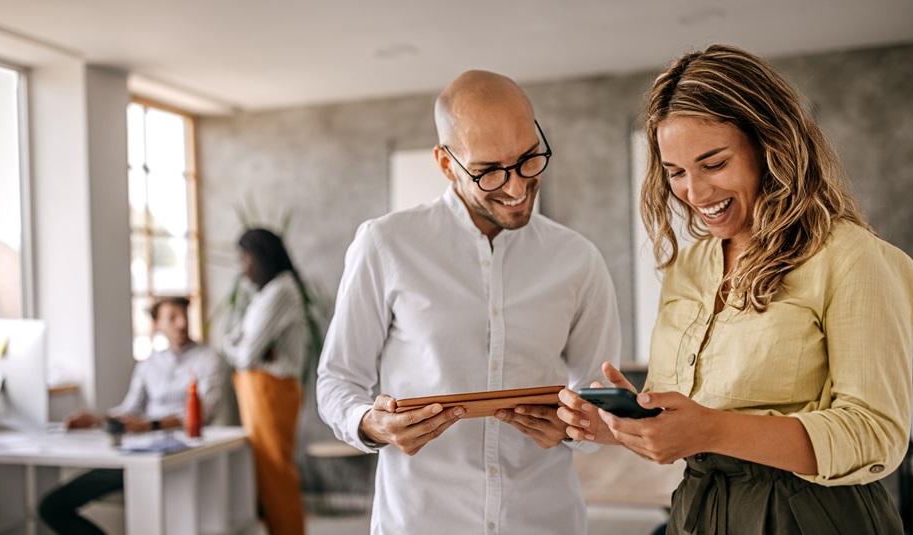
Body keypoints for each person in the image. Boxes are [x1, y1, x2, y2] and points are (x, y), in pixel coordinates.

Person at [558, 44, 913, 534]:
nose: (695, 192)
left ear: (769, 144)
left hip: (814, 516)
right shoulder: (687, 267)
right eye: (675, 173)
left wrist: (712, 428)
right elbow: (686, 416)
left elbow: (875, 435)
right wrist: (624, 425)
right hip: (699, 511)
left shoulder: (851, 258)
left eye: (713, 163)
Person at [316, 69, 622, 535]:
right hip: (421, 521)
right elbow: (337, 380)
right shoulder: (385, 245)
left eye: (528, 159)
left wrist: (578, 427)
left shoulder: (579, 260)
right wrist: (370, 424)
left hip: (545, 520)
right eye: (489, 172)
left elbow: (603, 399)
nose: (517, 189)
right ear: (445, 163)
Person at [39, 296, 225, 535]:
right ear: (157, 324)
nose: (181, 324)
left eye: (184, 316)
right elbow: (130, 409)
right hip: (139, 453)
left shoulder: (208, 359)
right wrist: (97, 419)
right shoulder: (148, 364)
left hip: (181, 454)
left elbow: (204, 414)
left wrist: (150, 425)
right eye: (172, 317)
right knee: (52, 507)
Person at [222, 228, 309, 535]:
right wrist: (243, 345)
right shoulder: (265, 293)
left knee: (276, 472)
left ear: (260, 257)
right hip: (260, 389)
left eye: (244, 257)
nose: (241, 266)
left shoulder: (281, 291)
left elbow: (243, 354)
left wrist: (241, 346)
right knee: (268, 474)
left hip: (271, 390)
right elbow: (235, 342)